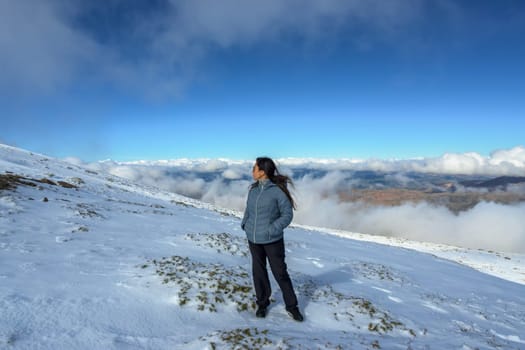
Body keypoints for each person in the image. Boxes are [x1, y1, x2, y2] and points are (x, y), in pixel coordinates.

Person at [241, 157, 304, 322]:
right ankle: (262, 304)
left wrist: (272, 229)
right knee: (258, 272)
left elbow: (287, 214)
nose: (252, 171)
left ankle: (292, 307)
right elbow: (248, 209)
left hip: (272, 240)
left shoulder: (277, 191)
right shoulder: (253, 190)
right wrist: (245, 223)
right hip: (253, 239)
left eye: (254, 168)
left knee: (280, 273)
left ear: (262, 172)